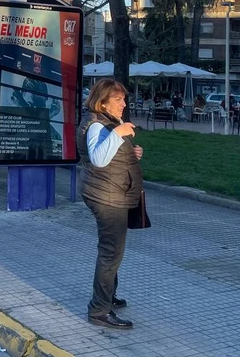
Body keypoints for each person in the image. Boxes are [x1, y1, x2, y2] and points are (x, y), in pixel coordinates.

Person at [78, 78, 144, 330]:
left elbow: (111, 151)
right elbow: (99, 159)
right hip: (107, 196)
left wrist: (132, 152)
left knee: (111, 251)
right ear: (103, 103)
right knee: (111, 252)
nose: (123, 104)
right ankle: (99, 310)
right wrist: (119, 133)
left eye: (123, 99)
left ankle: (108, 296)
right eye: (118, 99)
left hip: (111, 192)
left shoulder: (106, 122)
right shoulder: (98, 124)